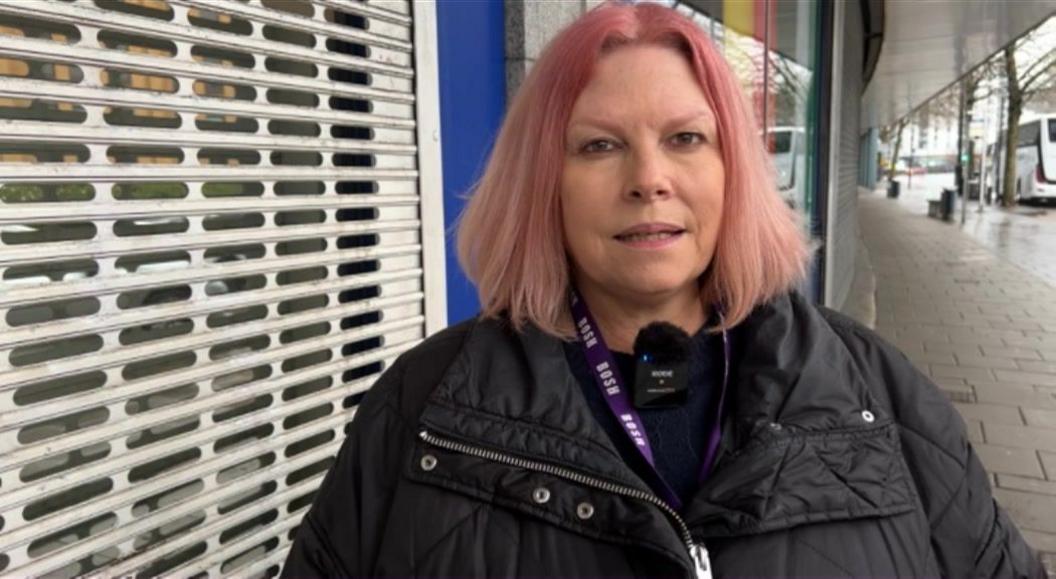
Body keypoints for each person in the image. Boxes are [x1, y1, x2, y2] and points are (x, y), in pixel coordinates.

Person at [282, 3, 1044, 577]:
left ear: (732, 171)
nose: (648, 179)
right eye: (599, 145)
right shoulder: (421, 409)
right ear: (543, 183)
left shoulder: (882, 397)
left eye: (685, 138)